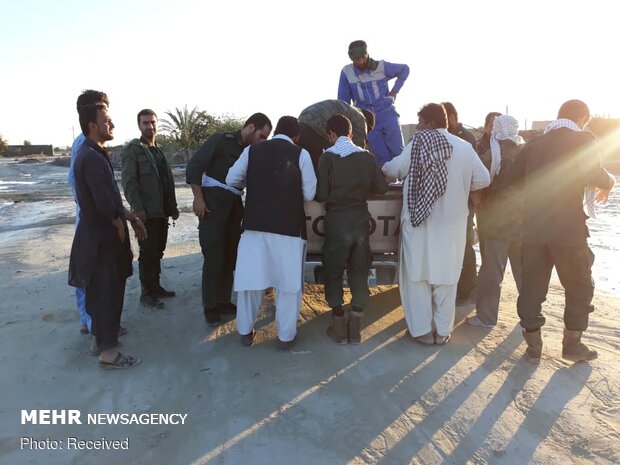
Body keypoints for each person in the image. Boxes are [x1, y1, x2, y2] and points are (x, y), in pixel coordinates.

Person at [502, 99, 615, 363]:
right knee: (579, 285)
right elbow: (595, 174)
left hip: (533, 230)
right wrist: (608, 182)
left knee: (532, 287)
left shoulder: (535, 143)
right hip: (569, 232)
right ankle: (572, 345)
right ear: (582, 118)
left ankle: (533, 346)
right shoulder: (582, 139)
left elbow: (511, 179)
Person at [382, 103, 489, 345]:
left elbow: (394, 168)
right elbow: (483, 178)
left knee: (416, 278)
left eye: (420, 122)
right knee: (446, 278)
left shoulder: (417, 144)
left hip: (419, 226)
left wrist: (380, 167)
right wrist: (461, 187)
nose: (418, 126)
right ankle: (442, 332)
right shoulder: (464, 147)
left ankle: (421, 332)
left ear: (430, 123)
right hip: (452, 227)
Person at [226, 116, 317, 350]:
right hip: (289, 231)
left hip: (255, 228)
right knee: (288, 286)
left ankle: (245, 332)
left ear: (275, 131)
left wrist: (256, 183)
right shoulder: (301, 154)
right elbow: (309, 193)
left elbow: (231, 179)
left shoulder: (252, 151)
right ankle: (285, 337)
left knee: (250, 283)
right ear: (296, 136)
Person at [69, 102, 146, 369]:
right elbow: (104, 204)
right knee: (106, 293)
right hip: (101, 241)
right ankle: (108, 354)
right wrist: (118, 225)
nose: (111, 124)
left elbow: (112, 197)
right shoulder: (89, 157)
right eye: (107, 120)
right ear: (93, 125)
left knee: (100, 293)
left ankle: (99, 340)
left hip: (97, 238)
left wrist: (131, 218)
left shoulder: (94, 153)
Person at [186, 113, 272, 326]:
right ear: (251, 127)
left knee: (230, 256)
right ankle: (210, 306)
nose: (263, 141)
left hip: (234, 208)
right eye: (262, 136)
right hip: (212, 206)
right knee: (214, 256)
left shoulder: (251, 152)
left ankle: (223, 301)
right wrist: (198, 199)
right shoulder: (220, 140)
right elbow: (194, 167)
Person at [315, 115, 388, 344]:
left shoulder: (327, 157)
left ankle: (338, 326)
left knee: (333, 271)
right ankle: (355, 326)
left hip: (336, 222)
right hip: (360, 222)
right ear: (351, 133)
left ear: (331, 135)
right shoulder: (366, 156)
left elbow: (322, 194)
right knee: (359, 271)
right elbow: (382, 188)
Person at [466, 115, 524, 328]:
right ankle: (529, 317)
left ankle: (487, 318)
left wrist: (480, 206)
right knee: (523, 271)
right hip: (523, 222)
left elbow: (476, 185)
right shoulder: (524, 152)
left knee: (492, 271)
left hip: (496, 222)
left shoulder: (492, 155)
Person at [121, 109, 179, 309]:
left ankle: (156, 287)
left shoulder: (159, 150)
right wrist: (138, 210)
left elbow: (166, 182)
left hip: (161, 212)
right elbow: (129, 182)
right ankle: (147, 293)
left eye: (153, 122)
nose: (150, 126)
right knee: (147, 253)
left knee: (158, 251)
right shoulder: (133, 149)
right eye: (145, 123)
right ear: (139, 125)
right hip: (146, 213)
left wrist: (173, 207)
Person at [68, 90, 110, 335]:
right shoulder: (84, 145)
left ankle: (90, 321)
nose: (108, 117)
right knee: (92, 272)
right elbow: (78, 185)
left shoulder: (92, 146)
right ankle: (96, 328)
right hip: (90, 218)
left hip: (89, 216)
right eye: (100, 108)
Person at [338, 40, 409, 166]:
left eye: (362, 57)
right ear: (351, 58)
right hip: (367, 119)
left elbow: (405, 69)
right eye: (356, 59)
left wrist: (394, 91)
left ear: (367, 55)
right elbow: (343, 101)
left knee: (398, 151)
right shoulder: (346, 73)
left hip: (387, 113)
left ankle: (404, 183)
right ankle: (389, 184)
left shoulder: (381, 66)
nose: (360, 61)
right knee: (381, 156)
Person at [442, 102, 479, 305]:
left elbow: (474, 174)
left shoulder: (465, 138)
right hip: (451, 202)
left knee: (464, 246)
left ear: (453, 117)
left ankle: (467, 289)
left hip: (463, 202)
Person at [298, 99, 375, 171]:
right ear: (368, 126)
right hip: (316, 127)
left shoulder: (350, 110)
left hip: (302, 120)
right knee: (320, 166)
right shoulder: (361, 119)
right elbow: (358, 155)